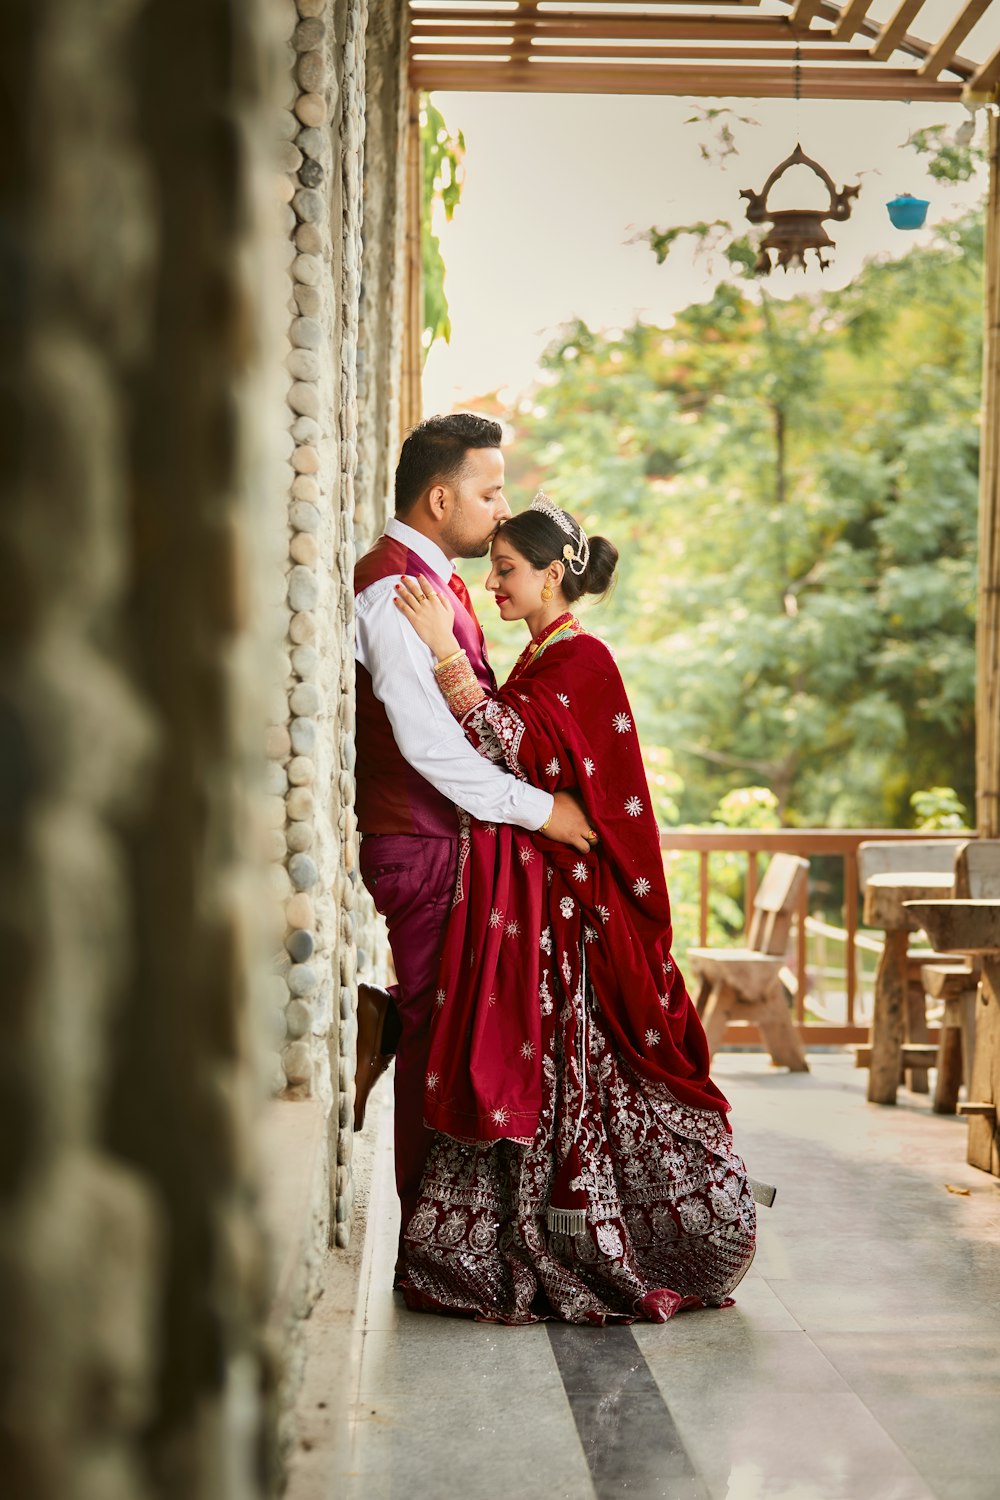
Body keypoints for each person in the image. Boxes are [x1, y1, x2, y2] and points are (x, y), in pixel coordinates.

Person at [390, 495, 758, 1324]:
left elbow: (503, 743)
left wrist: (443, 646)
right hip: (543, 906)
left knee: (585, 1066)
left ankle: (642, 1237)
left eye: (509, 568)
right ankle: (534, 1237)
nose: (494, 583)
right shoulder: (543, 657)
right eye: (492, 568)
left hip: (579, 913)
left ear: (554, 574)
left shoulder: (580, 661)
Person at [353, 415, 596, 1251]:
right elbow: (426, 746)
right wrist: (545, 813)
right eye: (490, 493)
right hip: (422, 844)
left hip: (452, 841)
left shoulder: (434, 586)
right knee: (441, 1044)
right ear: (440, 496)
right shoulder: (392, 591)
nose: (501, 513)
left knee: (454, 1029)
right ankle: (438, 1252)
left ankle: (470, 1238)